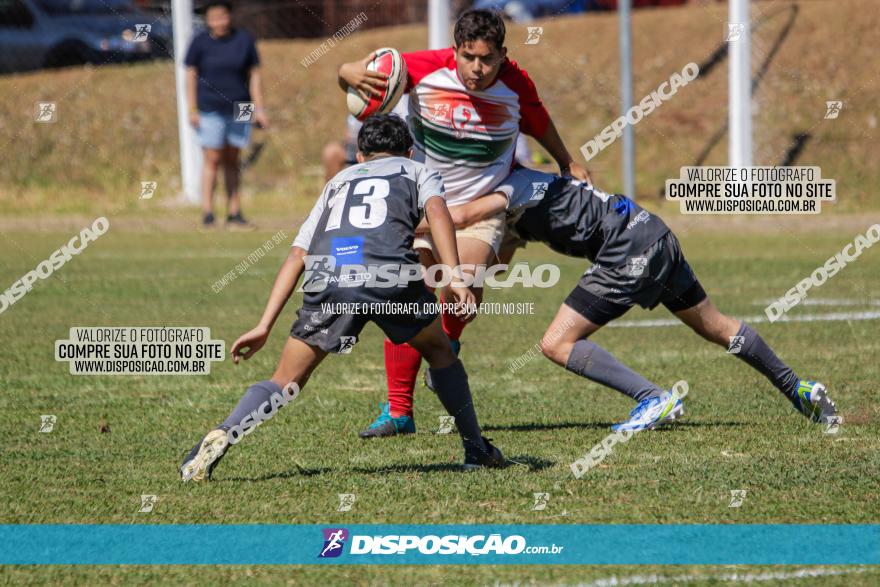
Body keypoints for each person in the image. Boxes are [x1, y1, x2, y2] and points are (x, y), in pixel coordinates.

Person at [179, 114, 506, 482]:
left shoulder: (337, 182)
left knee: (285, 380)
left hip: (329, 275)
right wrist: (456, 276)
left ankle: (226, 430)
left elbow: (297, 255)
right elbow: (438, 212)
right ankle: (476, 450)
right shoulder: (417, 170)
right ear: (410, 151)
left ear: (361, 156)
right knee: (441, 352)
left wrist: (264, 324)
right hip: (388, 274)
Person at [415, 166, 839, 430]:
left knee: (555, 343)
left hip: (626, 252)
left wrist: (401, 224)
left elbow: (460, 216)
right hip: (653, 233)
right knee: (717, 325)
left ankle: (652, 398)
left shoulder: (516, 182)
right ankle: (797, 388)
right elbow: (494, 266)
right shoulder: (517, 212)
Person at [337, 9, 590, 438]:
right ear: (455, 50)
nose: (477, 68)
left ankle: (446, 349)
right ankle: (398, 411)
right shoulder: (423, 66)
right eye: (468, 57)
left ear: (502, 55)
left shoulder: (516, 83)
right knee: (405, 295)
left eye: (487, 59)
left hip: (479, 208)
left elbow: (539, 120)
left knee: (464, 286)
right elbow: (357, 72)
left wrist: (568, 160)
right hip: (420, 205)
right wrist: (347, 70)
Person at [184, 0, 267, 230]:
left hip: (242, 107)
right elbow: (190, 75)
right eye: (214, 17)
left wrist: (259, 108)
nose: (219, 21)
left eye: (223, 16)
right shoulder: (199, 42)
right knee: (212, 158)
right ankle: (208, 213)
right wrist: (192, 108)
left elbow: (254, 76)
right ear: (207, 19)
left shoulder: (244, 40)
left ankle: (234, 212)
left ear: (230, 16)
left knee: (234, 160)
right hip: (210, 107)